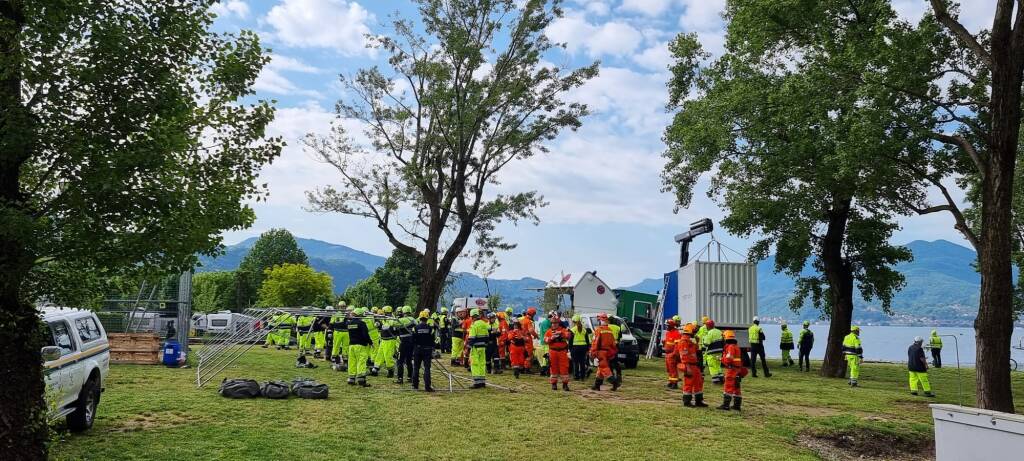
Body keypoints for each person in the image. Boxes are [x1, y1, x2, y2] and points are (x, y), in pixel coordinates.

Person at [677, 322, 708, 408]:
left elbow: (696, 350)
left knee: (698, 383)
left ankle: (699, 401)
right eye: (694, 331)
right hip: (689, 365)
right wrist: (687, 367)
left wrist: (697, 342)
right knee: (688, 384)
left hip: (695, 365)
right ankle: (687, 401)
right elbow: (684, 356)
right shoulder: (684, 342)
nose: (695, 333)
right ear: (690, 331)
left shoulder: (690, 341)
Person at [590, 313, 620, 391]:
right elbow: (613, 343)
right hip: (608, 352)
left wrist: (592, 353)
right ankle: (597, 385)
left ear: (600, 320)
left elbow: (595, 343)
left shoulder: (599, 330)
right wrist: (613, 352)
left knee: (604, 368)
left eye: (599, 320)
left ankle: (614, 382)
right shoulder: (609, 330)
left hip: (600, 352)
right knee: (600, 369)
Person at [718, 330, 746, 411]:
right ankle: (737, 406)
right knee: (736, 388)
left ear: (726, 338)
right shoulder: (736, 346)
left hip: (732, 370)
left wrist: (721, 359)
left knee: (728, 386)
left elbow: (729, 359)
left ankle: (726, 405)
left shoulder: (730, 347)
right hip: (737, 369)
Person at [545, 312, 572, 391]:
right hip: (553, 351)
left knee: (564, 368)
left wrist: (561, 333)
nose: (554, 325)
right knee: (553, 368)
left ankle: (565, 384)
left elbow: (569, 335)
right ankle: (554, 384)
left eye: (555, 323)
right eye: (553, 323)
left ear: (558, 323)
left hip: (562, 351)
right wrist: (551, 338)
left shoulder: (563, 330)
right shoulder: (549, 331)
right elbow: (545, 340)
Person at [346, 308, 372, 387]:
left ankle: (351, 379)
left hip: (351, 345)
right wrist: (370, 342)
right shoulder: (362, 323)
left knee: (352, 362)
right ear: (360, 315)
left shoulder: (349, 323)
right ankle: (361, 380)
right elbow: (365, 335)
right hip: (360, 345)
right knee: (361, 361)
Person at [411, 309, 436, 392]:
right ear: (427, 318)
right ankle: (427, 387)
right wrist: (432, 349)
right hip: (427, 350)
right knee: (427, 368)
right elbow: (433, 340)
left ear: (420, 318)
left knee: (416, 367)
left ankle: (415, 386)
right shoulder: (430, 329)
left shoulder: (415, 328)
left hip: (417, 350)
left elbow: (412, 340)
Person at [372, 306, 398, 377]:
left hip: (390, 340)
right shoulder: (384, 319)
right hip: (383, 340)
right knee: (379, 354)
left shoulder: (392, 319)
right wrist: (378, 322)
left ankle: (390, 370)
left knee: (388, 356)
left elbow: (392, 326)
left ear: (386, 313)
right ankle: (376, 368)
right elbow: (380, 325)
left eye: (383, 313)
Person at [467, 309, 490, 388]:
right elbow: (487, 336)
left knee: (475, 364)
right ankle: (482, 382)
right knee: (482, 363)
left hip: (475, 348)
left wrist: (468, 349)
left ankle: (477, 382)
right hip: (482, 347)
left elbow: (471, 338)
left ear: (472, 316)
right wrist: (485, 345)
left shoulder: (474, 325)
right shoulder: (484, 323)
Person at [395, 306, 416, 384]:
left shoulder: (402, 320)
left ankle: (400, 378)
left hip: (403, 343)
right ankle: (410, 377)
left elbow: (393, 325)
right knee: (409, 361)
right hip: (411, 343)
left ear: (403, 312)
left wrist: (395, 318)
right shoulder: (414, 320)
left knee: (400, 361)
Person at [702, 319, 724, 384]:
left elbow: (706, 343)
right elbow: (723, 341)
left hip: (712, 352)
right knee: (718, 365)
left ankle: (715, 380)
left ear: (708, 326)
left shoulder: (709, 333)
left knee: (712, 365)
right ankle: (721, 377)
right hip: (720, 351)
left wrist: (703, 341)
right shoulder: (719, 331)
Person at [569, 315, 590, 381]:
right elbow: (587, 340)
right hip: (583, 347)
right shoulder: (584, 330)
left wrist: (570, 349)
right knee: (582, 362)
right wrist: (587, 349)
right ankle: (582, 376)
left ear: (574, 322)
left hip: (575, 348)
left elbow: (570, 341)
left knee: (575, 362)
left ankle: (576, 376)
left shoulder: (572, 330)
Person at [662, 319, 682, 389]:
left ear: (671, 326)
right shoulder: (668, 333)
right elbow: (668, 342)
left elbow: (677, 345)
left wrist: (674, 353)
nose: (666, 327)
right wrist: (664, 343)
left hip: (672, 354)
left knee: (673, 369)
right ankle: (671, 381)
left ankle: (675, 383)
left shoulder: (676, 333)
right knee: (669, 369)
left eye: (667, 326)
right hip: (667, 354)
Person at [329, 306, 349, 371]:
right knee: (336, 345)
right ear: (339, 307)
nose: (342, 308)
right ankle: (334, 360)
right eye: (341, 307)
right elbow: (331, 323)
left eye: (344, 306)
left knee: (346, 346)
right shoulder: (335, 314)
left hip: (346, 332)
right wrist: (330, 332)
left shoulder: (348, 314)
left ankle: (345, 361)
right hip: (337, 332)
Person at [520, 307, 538, 372]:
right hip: (527, 339)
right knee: (529, 354)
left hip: (521, 338)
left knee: (523, 353)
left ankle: (521, 367)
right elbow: (531, 330)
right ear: (532, 314)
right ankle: (527, 368)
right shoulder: (528, 321)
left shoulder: (522, 320)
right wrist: (536, 336)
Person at [537, 312, 553, 377]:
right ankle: (544, 370)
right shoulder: (547, 323)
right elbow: (548, 332)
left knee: (544, 356)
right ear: (550, 317)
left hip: (543, 342)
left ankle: (543, 370)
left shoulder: (544, 322)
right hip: (546, 342)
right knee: (546, 356)